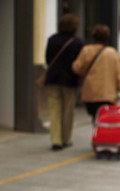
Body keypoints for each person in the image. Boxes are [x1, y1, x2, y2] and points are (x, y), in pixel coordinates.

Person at [43, 14, 84, 151]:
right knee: (68, 110)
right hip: (70, 80)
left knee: (54, 110)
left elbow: (48, 60)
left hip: (53, 79)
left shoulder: (52, 40)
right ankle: (66, 139)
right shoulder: (78, 43)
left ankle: (56, 140)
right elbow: (80, 63)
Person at [72, 24, 120, 123]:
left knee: (95, 116)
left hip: (90, 93)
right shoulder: (112, 52)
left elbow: (76, 68)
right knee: (105, 117)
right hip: (108, 94)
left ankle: (97, 133)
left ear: (93, 36)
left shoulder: (86, 50)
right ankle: (103, 134)